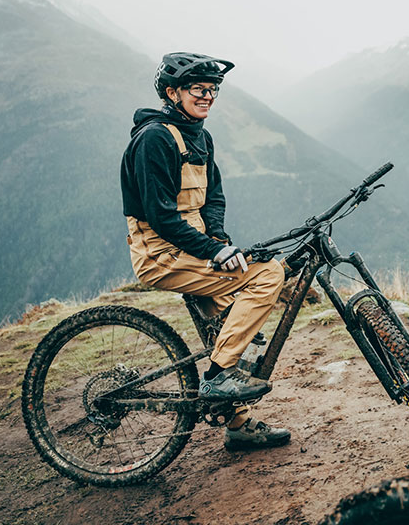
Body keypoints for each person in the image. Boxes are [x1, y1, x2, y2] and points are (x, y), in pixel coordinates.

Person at [120, 52, 290, 450]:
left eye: (213, 90)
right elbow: (161, 217)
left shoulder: (199, 135)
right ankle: (218, 374)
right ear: (171, 92)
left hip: (190, 247)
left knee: (228, 314)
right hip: (161, 254)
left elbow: (213, 197)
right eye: (199, 89)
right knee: (268, 275)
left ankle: (238, 424)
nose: (208, 96)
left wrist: (220, 242)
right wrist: (214, 253)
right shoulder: (155, 139)